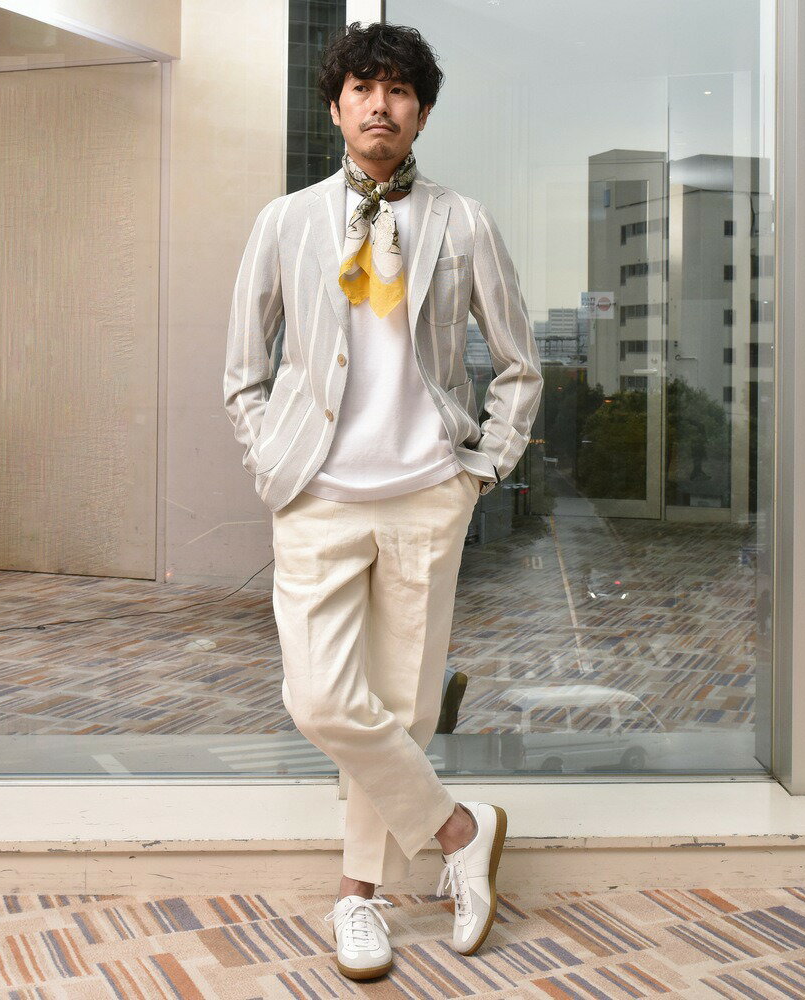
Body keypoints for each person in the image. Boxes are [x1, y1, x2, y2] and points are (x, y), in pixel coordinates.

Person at [223, 20, 543, 982]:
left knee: (402, 713)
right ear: (336, 107)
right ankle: (459, 830)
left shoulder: (464, 222)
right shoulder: (285, 223)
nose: (380, 106)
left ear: (422, 113)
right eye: (362, 88)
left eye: (399, 91)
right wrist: (271, 460)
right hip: (316, 497)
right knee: (321, 698)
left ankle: (356, 899)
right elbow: (244, 372)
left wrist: (479, 473)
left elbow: (520, 365)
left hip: (424, 497)